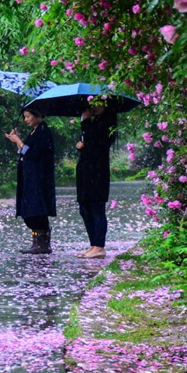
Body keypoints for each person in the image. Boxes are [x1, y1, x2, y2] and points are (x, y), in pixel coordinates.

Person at [6, 107, 56, 255]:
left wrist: (19, 141)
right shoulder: (34, 131)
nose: (26, 120)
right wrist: (17, 141)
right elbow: (25, 152)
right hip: (29, 175)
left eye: (28, 116)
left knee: (36, 209)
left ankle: (43, 243)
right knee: (29, 209)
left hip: (39, 177)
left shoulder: (44, 133)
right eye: (25, 117)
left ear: (38, 115)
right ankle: (37, 242)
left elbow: (34, 154)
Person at [75, 99, 118, 258]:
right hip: (86, 172)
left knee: (96, 207)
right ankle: (93, 244)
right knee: (84, 208)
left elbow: (97, 145)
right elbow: (89, 143)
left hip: (97, 173)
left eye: (98, 104)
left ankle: (99, 246)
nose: (93, 107)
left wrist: (85, 122)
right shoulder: (94, 123)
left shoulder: (107, 125)